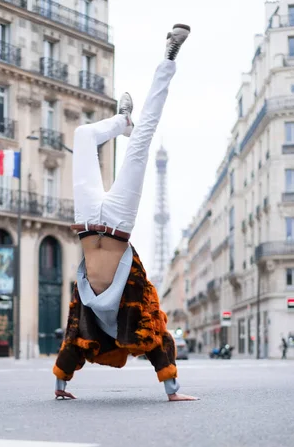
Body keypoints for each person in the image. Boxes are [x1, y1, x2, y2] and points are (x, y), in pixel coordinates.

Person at [53, 24, 198, 402]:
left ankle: (121, 123)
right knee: (143, 142)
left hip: (87, 222)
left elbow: (72, 333)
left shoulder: (86, 304)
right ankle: (167, 59)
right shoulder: (135, 298)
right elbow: (157, 336)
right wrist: (171, 389)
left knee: (84, 136)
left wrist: (60, 383)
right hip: (117, 222)